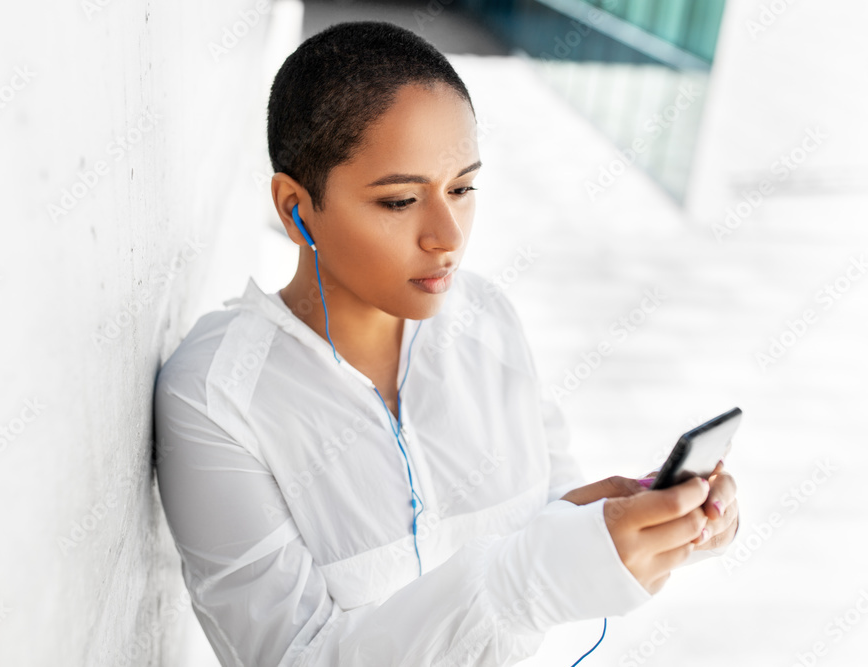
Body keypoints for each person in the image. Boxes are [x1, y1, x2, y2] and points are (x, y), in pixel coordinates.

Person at [152, 20, 740, 667]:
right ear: (296, 209)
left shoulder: (486, 319)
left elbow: (545, 512)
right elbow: (294, 656)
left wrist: (647, 517)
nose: (448, 235)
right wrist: (527, 582)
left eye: (462, 188)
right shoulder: (217, 398)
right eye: (401, 200)